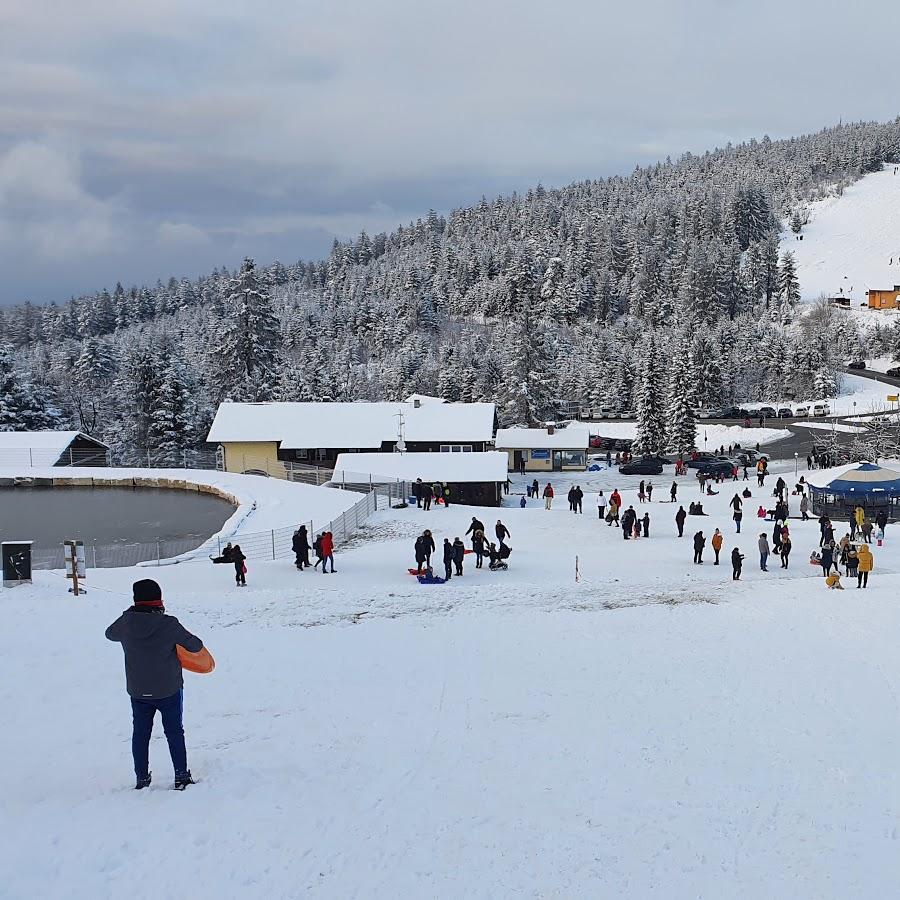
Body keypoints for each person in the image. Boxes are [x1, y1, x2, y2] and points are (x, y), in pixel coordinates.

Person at [105, 579, 202, 790]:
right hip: (169, 690)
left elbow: (109, 634)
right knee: (174, 731)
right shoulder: (168, 624)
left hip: (138, 691)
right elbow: (196, 645)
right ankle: (181, 776)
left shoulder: (126, 623)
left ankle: (141, 778)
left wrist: (130, 614)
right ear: (159, 599)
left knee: (140, 734)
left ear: (135, 600)